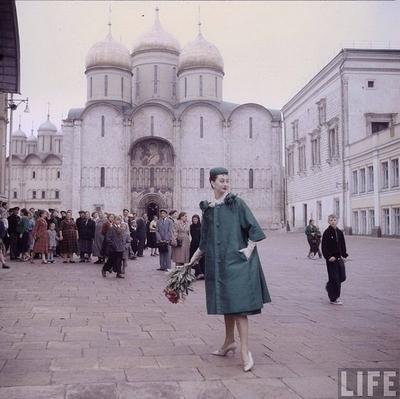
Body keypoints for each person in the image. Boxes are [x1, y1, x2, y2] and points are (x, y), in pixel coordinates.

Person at [187, 167, 271, 372]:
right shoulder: (208, 209)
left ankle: (245, 352)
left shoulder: (237, 203)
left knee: (240, 307)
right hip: (219, 264)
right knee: (226, 302)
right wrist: (191, 262)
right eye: (221, 180)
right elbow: (205, 240)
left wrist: (248, 250)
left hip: (238, 263)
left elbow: (254, 228)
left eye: (227, 180)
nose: (225, 184)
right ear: (212, 182)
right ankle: (228, 342)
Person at [321, 214, 349, 305]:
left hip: (339, 258)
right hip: (331, 260)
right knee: (335, 279)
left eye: (334, 220)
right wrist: (329, 257)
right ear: (328, 221)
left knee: (342, 277)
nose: (333, 221)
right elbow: (324, 247)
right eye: (331, 220)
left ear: (337, 221)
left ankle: (330, 286)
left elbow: (343, 245)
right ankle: (334, 298)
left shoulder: (340, 232)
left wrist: (344, 255)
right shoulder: (327, 233)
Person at [190, 214, 205, 279]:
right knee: (193, 259)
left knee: (201, 259)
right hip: (193, 244)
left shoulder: (201, 226)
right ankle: (199, 273)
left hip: (200, 244)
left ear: (198, 219)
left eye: (196, 219)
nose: (195, 220)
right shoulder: (191, 226)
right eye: (193, 219)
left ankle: (201, 273)